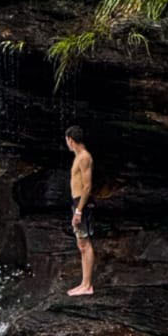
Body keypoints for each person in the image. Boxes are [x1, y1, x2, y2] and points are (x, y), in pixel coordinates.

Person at [65, 125, 95, 296]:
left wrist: (79, 211)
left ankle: (88, 285)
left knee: (85, 243)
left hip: (81, 203)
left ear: (71, 140)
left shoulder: (84, 157)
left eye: (67, 141)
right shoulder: (78, 156)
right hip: (76, 202)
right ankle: (84, 283)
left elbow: (87, 186)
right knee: (81, 244)